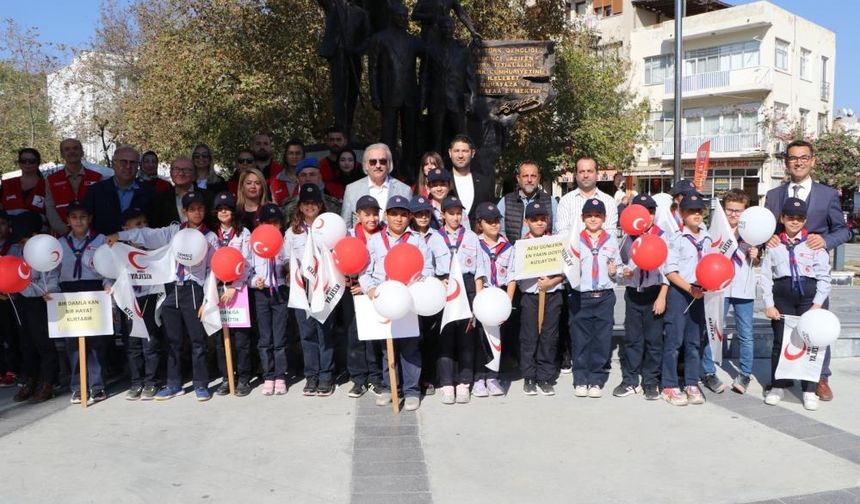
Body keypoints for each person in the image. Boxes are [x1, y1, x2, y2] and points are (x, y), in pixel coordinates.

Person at [108, 192, 217, 402]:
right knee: (173, 340)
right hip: (169, 288)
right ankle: (174, 384)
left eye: (200, 208)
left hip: (193, 289)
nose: (197, 213)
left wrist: (208, 299)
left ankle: (201, 384)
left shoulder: (210, 237)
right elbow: (147, 235)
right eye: (192, 209)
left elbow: (213, 270)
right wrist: (120, 236)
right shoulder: (173, 231)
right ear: (184, 212)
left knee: (197, 340)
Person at [764, 139, 850, 402]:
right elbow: (766, 228)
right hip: (784, 277)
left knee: (816, 328)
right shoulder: (774, 195)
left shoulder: (827, 195)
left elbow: (843, 230)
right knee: (783, 331)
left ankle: (819, 377)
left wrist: (826, 242)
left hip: (813, 276)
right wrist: (767, 239)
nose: (798, 162)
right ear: (786, 162)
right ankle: (784, 374)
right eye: (792, 158)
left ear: (812, 160)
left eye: (803, 157)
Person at [359, 195, 433, 411]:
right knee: (386, 347)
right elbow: (365, 271)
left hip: (409, 300)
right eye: (394, 214)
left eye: (403, 214)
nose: (399, 219)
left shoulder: (417, 240)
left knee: (410, 346)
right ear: (386, 216)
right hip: (384, 301)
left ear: (409, 217)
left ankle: (411, 390)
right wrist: (370, 289)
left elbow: (427, 269)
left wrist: (416, 283)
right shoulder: (374, 241)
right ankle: (391, 387)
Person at [761, 198, 831, 411]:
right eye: (790, 217)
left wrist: (817, 304)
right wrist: (769, 304)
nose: (795, 222)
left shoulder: (813, 244)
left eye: (799, 218)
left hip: (807, 296)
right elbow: (765, 277)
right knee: (780, 341)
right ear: (782, 218)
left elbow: (825, 277)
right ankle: (778, 385)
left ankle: (809, 389)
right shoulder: (774, 244)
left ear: (805, 220)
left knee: (810, 342)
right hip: (782, 296)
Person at [701, 189, 759, 395]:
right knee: (713, 329)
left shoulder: (752, 231)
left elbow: (759, 260)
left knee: (746, 333)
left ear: (745, 211)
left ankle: (745, 373)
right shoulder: (716, 230)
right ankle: (708, 371)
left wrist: (755, 254)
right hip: (720, 287)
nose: (733, 214)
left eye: (738, 211)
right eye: (729, 210)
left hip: (744, 288)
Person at [506, 201, 564, 396]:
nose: (539, 223)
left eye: (542, 219)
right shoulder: (521, 245)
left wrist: (552, 281)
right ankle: (529, 376)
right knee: (529, 337)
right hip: (530, 297)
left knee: (549, 336)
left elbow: (568, 268)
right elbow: (513, 273)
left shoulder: (556, 243)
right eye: (534, 219)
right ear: (526, 221)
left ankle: (545, 377)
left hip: (552, 295)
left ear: (547, 220)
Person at [285, 184, 337, 397]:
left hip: (324, 286)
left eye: (313, 203)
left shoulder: (330, 226)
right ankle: (311, 375)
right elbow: (286, 259)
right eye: (305, 203)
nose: (309, 206)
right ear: (300, 206)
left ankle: (326, 375)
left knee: (324, 332)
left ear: (320, 204)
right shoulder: (292, 231)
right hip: (302, 287)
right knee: (306, 334)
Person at [58, 201, 111, 405]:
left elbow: (107, 269)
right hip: (68, 293)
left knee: (96, 344)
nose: (78, 221)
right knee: (73, 344)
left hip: (94, 291)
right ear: (68, 220)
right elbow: (53, 270)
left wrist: (108, 288)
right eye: (74, 217)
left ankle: (97, 386)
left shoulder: (101, 241)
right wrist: (51, 292)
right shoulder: (60, 243)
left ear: (89, 219)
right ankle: (78, 387)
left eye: (83, 216)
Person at [568, 199, 621, 399]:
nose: (593, 219)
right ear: (583, 218)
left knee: (601, 339)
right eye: (589, 215)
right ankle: (580, 378)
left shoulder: (611, 240)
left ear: (604, 218)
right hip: (582, 296)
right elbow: (567, 265)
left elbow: (619, 267)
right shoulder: (575, 240)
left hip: (604, 296)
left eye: (597, 215)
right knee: (580, 339)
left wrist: (617, 272)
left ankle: (596, 379)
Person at [615, 195, 666, 400]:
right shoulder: (628, 238)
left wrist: (662, 296)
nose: (647, 216)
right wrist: (622, 272)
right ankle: (630, 380)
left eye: (651, 212)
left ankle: (651, 381)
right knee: (632, 339)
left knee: (654, 341)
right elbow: (618, 266)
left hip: (654, 294)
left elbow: (669, 271)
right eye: (643, 212)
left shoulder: (662, 236)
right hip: (633, 294)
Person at [662, 193, 710, 407]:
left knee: (694, 342)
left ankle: (691, 382)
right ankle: (669, 385)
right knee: (674, 341)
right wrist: (690, 289)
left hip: (701, 295)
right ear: (682, 214)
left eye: (699, 210)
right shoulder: (676, 239)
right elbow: (670, 272)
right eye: (691, 211)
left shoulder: (708, 239)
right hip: (681, 293)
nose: (696, 214)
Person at [368, 2, 422, 182]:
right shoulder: (379, 39)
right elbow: (373, 68)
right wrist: (374, 94)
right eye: (400, 16)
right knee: (387, 136)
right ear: (392, 17)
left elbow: (429, 62)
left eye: (405, 16)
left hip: (410, 95)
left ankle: (410, 168)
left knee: (410, 136)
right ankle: (387, 169)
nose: (404, 19)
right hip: (388, 94)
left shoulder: (413, 41)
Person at [436, 195, 483, 404]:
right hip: (445, 286)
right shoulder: (435, 237)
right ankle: (447, 382)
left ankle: (464, 381)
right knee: (446, 335)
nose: (455, 217)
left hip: (468, 286)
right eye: (451, 213)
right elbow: (429, 266)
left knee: (466, 337)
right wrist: (439, 282)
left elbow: (480, 268)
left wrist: (478, 297)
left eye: (458, 213)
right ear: (443, 215)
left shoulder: (472, 236)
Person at [8, 212, 58, 403]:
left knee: (43, 343)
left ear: (36, 235)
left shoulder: (47, 250)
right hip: (20, 301)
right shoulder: (15, 250)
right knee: (26, 343)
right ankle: (31, 379)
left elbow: (52, 277)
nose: (21, 244)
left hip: (41, 301)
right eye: (19, 241)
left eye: (24, 240)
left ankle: (48, 382)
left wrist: (47, 291)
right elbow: (10, 272)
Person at [116, 207, 164, 401]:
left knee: (150, 341)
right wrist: (109, 287)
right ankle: (136, 382)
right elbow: (110, 273)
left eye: (145, 223)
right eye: (137, 225)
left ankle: (152, 381)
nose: (142, 228)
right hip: (129, 298)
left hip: (150, 297)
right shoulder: (118, 250)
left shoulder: (154, 250)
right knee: (133, 343)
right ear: (125, 228)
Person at [343, 195, 387, 398]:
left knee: (376, 337)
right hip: (352, 292)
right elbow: (338, 260)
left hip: (375, 291)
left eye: (375, 214)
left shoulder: (385, 234)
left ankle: (376, 378)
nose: (371, 218)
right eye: (366, 214)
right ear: (357, 215)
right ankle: (358, 379)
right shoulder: (348, 235)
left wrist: (367, 285)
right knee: (355, 336)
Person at [211, 192, 253, 397]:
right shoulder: (212, 235)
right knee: (221, 340)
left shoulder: (243, 233)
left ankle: (244, 377)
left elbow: (246, 262)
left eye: (226, 208)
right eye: (220, 209)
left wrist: (233, 286)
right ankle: (227, 377)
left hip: (238, 290)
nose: (223, 212)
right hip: (216, 290)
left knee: (241, 339)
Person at [409, 195, 450, 396]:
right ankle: (412, 379)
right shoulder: (406, 236)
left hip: (430, 292)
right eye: (418, 214)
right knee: (413, 338)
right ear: (411, 216)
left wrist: (443, 278)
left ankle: (428, 377)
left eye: (426, 213)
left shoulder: (437, 236)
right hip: (409, 292)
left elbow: (443, 263)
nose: (423, 217)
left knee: (431, 337)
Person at [250, 203, 290, 396]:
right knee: (265, 337)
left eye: (276, 223)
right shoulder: (254, 242)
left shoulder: (284, 242)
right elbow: (246, 269)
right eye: (268, 223)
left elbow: (291, 264)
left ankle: (281, 375)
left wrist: (288, 271)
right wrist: (253, 281)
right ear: (261, 224)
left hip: (280, 291)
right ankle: (268, 375)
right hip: (262, 293)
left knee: (280, 336)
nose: (273, 227)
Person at [474, 202, 513, 397]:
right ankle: (479, 377)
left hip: (500, 298)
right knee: (480, 339)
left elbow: (512, 276)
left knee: (497, 338)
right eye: (489, 222)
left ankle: (492, 376)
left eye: (497, 220)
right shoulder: (475, 244)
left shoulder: (508, 247)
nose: (494, 225)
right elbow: (477, 274)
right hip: (483, 296)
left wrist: (508, 302)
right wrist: (479, 301)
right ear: (480, 224)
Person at [317, 0, 370, 135]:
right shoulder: (333, 6)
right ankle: (339, 126)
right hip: (338, 55)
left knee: (352, 93)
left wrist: (356, 49)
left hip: (353, 57)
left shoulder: (361, 13)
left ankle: (348, 127)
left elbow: (368, 38)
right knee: (339, 93)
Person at [84, 146, 155, 235]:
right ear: (113, 164)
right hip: (103, 246)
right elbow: (87, 223)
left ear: (138, 166)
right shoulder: (96, 191)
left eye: (133, 162)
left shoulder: (149, 193)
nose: (128, 166)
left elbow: (153, 225)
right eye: (123, 162)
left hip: (137, 247)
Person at [341, 143, 412, 228]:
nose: (378, 165)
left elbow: (409, 224)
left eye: (382, 161)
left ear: (389, 164)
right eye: (373, 162)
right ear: (366, 165)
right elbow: (346, 225)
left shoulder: (404, 190)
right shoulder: (351, 189)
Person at [45, 138, 103, 235]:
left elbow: (101, 207)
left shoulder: (97, 177)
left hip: (92, 235)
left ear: (82, 152)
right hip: (63, 235)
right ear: (62, 154)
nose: (72, 151)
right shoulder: (51, 180)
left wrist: (91, 231)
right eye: (67, 149)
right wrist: (64, 231)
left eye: (75, 148)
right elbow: (50, 208)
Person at [497, 160, 557, 244]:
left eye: (533, 176)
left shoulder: (550, 201)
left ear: (539, 178)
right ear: (518, 178)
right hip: (513, 253)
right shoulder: (505, 202)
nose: (529, 180)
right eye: (525, 176)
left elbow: (556, 232)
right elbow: (500, 233)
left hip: (543, 253)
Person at [555, 156, 618, 236]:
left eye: (590, 171)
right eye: (581, 171)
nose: (586, 175)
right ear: (576, 175)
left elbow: (611, 233)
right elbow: (562, 232)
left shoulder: (609, 201)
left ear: (597, 174)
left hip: (602, 247)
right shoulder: (566, 201)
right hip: (572, 247)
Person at [147, 157, 214, 228]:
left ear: (194, 174)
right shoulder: (159, 200)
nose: (181, 173)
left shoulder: (208, 197)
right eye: (176, 169)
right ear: (171, 172)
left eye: (186, 170)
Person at [448, 135, 495, 226]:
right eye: (456, 151)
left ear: (472, 153)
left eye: (465, 151)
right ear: (450, 153)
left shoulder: (485, 183)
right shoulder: (443, 182)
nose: (460, 155)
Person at [0, 210, 22, 388]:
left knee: (11, 333)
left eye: (2, 223)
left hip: (9, 298)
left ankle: (13, 369)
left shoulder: (14, 247)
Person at [1, 148, 47, 220]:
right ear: (19, 163)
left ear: (38, 163)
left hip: (38, 230)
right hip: (9, 229)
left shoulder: (47, 185)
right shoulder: (7, 184)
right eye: (23, 161)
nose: (27, 163)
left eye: (32, 161)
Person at [269, 140, 303, 205]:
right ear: (285, 156)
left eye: (298, 153)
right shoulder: (275, 181)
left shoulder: (310, 178)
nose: (294, 156)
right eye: (291, 153)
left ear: (303, 156)